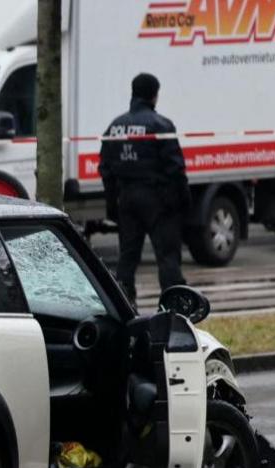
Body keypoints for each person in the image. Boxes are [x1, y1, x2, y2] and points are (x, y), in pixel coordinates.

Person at [98, 72, 189, 307]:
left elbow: (105, 169)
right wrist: (183, 202)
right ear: (154, 95)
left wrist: (112, 204)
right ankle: (174, 307)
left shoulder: (114, 127)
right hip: (158, 200)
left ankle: (124, 305)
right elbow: (176, 169)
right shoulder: (161, 126)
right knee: (168, 257)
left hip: (127, 199)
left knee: (127, 258)